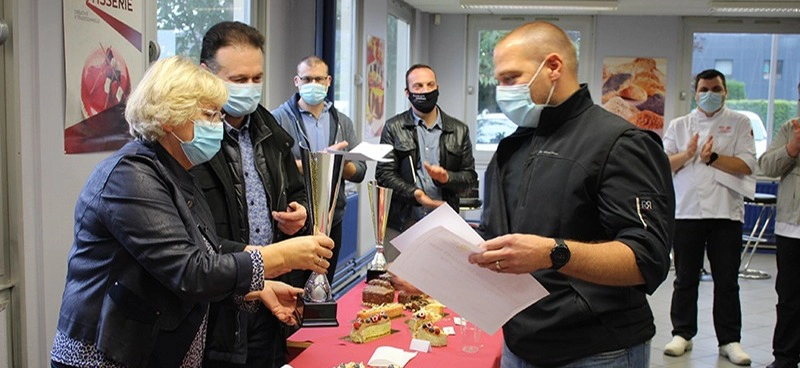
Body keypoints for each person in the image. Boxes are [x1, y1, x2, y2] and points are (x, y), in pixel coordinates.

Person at [49, 56, 334, 368]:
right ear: (170, 118)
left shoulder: (177, 170)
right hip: (106, 355)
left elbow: (207, 249)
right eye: (210, 115)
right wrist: (281, 257)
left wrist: (258, 287)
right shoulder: (129, 176)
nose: (218, 126)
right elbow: (190, 271)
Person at [466, 21, 675, 367]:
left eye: (511, 78)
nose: (501, 90)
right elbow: (498, 238)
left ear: (552, 67)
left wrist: (554, 253)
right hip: (519, 343)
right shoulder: (512, 148)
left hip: (596, 349)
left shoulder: (620, 143)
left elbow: (647, 258)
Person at [193, 22, 313, 368]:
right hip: (218, 305)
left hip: (271, 296)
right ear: (207, 75)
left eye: (256, 79)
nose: (250, 88)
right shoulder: (193, 140)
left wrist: (299, 212)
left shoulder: (270, 130)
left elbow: (296, 189)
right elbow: (192, 236)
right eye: (239, 80)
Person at [661, 69, 756, 365]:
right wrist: (688, 154)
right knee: (685, 277)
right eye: (704, 89)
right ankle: (682, 334)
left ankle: (729, 340)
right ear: (695, 92)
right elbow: (663, 164)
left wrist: (712, 159)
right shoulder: (680, 125)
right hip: (687, 212)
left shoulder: (740, 123)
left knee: (727, 280)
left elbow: (747, 164)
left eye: (716, 88)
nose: (710, 94)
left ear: (725, 92)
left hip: (726, 213)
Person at [272, 56, 367, 283]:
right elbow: (274, 169)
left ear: (328, 81)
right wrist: (318, 162)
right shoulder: (278, 119)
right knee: (294, 287)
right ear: (297, 81)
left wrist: (340, 163)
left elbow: (360, 171)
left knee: (324, 283)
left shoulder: (342, 122)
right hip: (296, 217)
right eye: (307, 79)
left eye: (318, 79)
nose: (313, 84)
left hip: (333, 217)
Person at [375, 64, 477, 261]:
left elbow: (470, 178)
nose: (425, 91)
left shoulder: (459, 130)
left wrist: (447, 178)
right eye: (418, 86)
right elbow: (384, 175)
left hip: (444, 223)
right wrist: (417, 195)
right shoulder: (394, 127)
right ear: (408, 93)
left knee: (439, 285)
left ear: (437, 87)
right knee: (399, 284)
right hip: (403, 222)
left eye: (430, 85)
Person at [759, 82, 800, 368]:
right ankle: (784, 357)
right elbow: (767, 166)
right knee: (789, 298)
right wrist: (791, 148)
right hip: (792, 228)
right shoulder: (790, 128)